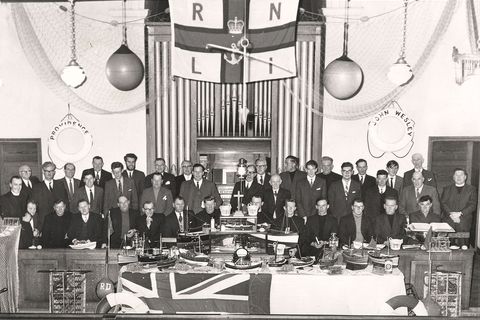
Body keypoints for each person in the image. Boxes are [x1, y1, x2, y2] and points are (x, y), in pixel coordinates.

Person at [441, 168, 477, 246]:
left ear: (465, 177)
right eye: (456, 175)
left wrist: (460, 214)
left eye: (461, 175)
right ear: (453, 177)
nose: (459, 177)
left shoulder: (472, 189)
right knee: (447, 245)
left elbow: (473, 205)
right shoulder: (447, 189)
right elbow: (443, 203)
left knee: (463, 246)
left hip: (464, 221)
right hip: (449, 220)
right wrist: (451, 214)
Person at [31, 162, 68, 233]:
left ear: (54, 172)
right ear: (43, 172)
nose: (49, 173)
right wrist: (38, 227)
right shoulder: (37, 187)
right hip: (43, 224)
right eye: (47, 171)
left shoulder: (60, 185)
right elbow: (35, 208)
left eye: (51, 171)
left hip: (60, 223)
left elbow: (66, 204)